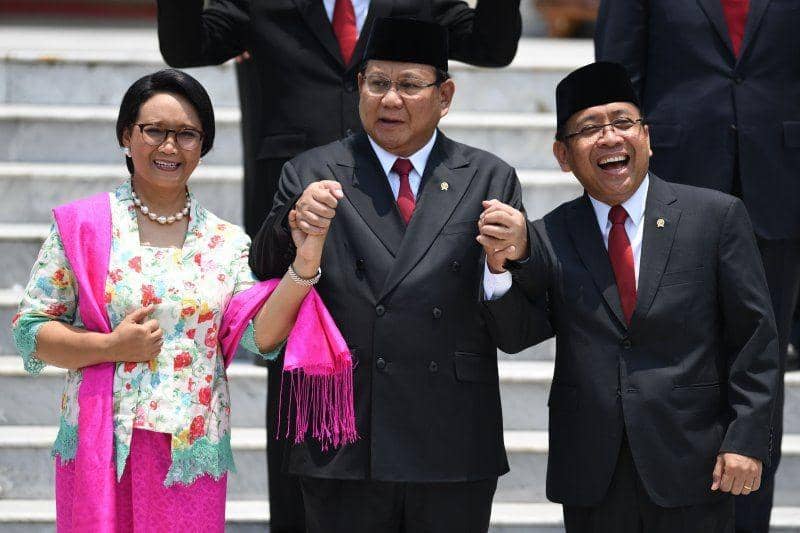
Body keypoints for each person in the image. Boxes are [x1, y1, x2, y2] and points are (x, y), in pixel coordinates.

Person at [157, 6, 522, 527]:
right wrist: (293, 226)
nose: (389, 98)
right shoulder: (306, 172)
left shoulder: (486, 177)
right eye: (376, 83)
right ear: (361, 87)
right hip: (326, 330)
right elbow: (188, 45)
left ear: (444, 97)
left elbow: (492, 45)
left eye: (409, 85)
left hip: (446, 427)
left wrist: (505, 265)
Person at [10, 69, 334, 532]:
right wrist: (110, 348)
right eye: (154, 131)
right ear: (127, 135)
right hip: (103, 442)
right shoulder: (82, 226)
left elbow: (262, 337)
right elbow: (32, 330)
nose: (169, 146)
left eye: (186, 134)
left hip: (189, 449)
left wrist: (302, 265)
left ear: (203, 146)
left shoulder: (226, 242)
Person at [477, 62, 780, 532]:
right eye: (589, 129)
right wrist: (499, 266)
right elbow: (518, 334)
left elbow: (756, 339)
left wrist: (745, 439)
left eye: (623, 121)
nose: (610, 137)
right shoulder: (550, 234)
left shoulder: (714, 218)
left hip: (695, 463)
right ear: (563, 155)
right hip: (593, 473)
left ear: (648, 137)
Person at [594, 4, 800, 529]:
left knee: (762, 364)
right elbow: (617, 75)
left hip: (778, 186)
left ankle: (748, 520)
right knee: (671, 359)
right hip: (673, 181)